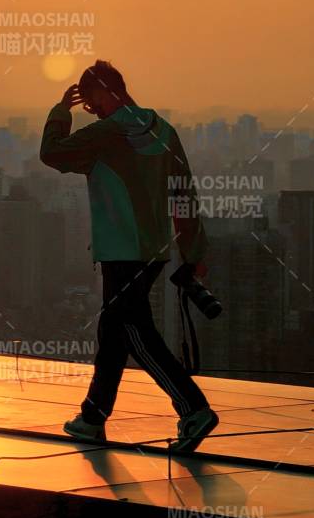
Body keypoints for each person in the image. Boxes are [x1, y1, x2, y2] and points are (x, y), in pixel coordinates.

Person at [40, 60, 219, 452]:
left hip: (121, 252)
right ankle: (92, 416)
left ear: (106, 91)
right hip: (152, 253)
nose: (93, 110)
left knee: (135, 332)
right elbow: (184, 196)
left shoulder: (107, 134)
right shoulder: (165, 132)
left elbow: (51, 153)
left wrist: (60, 112)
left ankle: (193, 408)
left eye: (92, 102)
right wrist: (193, 252)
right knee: (114, 330)